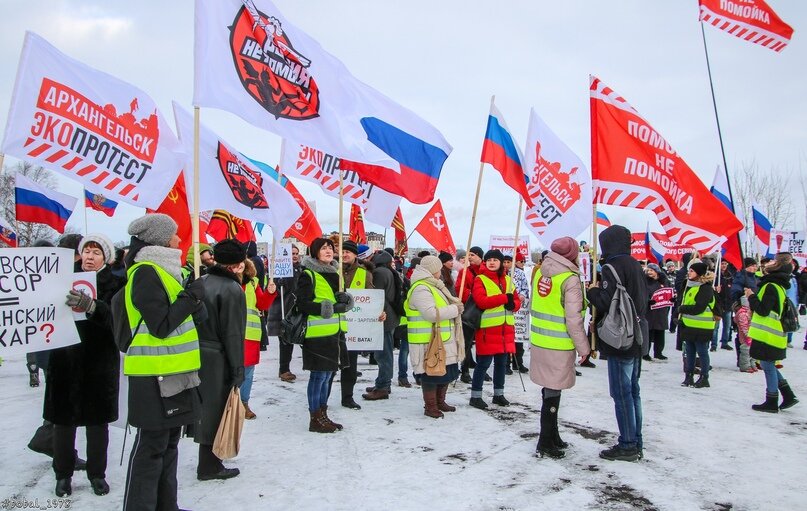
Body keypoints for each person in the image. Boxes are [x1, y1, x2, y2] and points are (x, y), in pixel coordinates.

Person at [121, 213, 203, 511]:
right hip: (152, 375)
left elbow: (184, 320)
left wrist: (195, 302)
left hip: (175, 372)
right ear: (160, 239)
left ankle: (167, 506)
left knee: (169, 445)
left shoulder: (169, 271)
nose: (179, 239)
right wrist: (189, 300)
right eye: (174, 234)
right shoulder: (145, 271)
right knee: (151, 449)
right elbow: (160, 325)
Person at [45, 234, 124, 498]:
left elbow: (117, 320)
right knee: (63, 423)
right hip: (65, 360)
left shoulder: (115, 282)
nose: (90, 257)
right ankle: (63, 475)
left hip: (99, 362)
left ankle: (97, 474)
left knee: (97, 423)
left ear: (106, 257)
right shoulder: (62, 280)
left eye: (96, 252)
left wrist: (92, 306)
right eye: (86, 251)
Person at [587, 225, 648, 462]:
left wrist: (592, 292)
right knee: (633, 392)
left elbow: (607, 302)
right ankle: (636, 439)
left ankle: (628, 444)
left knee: (621, 393)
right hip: (638, 335)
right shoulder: (635, 265)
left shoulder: (611, 267)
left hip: (621, 338)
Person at [530, 237, 591, 458]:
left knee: (549, 389)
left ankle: (553, 435)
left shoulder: (540, 271)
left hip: (540, 340)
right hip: (559, 343)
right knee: (553, 391)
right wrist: (584, 349)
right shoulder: (570, 278)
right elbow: (573, 319)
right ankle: (545, 441)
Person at [194, 239, 247, 480]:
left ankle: (208, 461)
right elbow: (233, 332)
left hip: (196, 351)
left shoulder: (200, 282)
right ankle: (209, 464)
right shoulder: (232, 289)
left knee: (205, 407)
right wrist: (238, 367)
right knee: (217, 409)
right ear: (237, 264)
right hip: (219, 355)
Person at [296, 238, 353, 433]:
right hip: (318, 333)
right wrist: (326, 308)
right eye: (323, 248)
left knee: (329, 375)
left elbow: (341, 301)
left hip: (335, 332)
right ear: (314, 252)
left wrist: (346, 300)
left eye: (330, 247)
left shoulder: (336, 274)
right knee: (319, 376)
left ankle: (323, 414)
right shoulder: (308, 274)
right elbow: (302, 304)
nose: (328, 250)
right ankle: (315, 418)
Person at [406, 256, 465, 418]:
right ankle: (430, 406)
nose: (441, 272)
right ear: (433, 270)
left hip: (442, 338)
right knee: (430, 374)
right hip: (427, 340)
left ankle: (440, 401)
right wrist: (455, 309)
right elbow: (430, 314)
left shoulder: (434, 286)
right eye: (438, 269)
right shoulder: (421, 288)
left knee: (445, 372)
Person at [746, 253, 799, 413]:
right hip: (773, 333)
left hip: (768, 333)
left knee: (767, 365)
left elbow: (762, 310)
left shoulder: (770, 286)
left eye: (773, 261)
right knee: (767, 364)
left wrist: (751, 297)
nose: (770, 262)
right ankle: (788, 395)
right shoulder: (778, 285)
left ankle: (772, 400)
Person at [469, 249, 520, 409]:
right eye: (489, 259)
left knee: (501, 364)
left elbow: (516, 300)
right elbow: (481, 301)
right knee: (483, 364)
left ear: (500, 263)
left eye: (495, 260)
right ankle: (475, 396)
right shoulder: (480, 279)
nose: (492, 262)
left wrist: (514, 305)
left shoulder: (508, 279)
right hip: (487, 330)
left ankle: (499, 394)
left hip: (506, 330)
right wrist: (505, 298)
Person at [336, 240, 376, 408]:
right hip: (333, 323)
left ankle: (347, 397)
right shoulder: (332, 270)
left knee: (350, 365)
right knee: (330, 366)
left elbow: (371, 297)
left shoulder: (364, 273)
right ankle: (322, 399)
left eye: (348, 252)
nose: (345, 254)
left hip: (353, 327)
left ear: (355, 254)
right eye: (342, 251)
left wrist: (377, 313)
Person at [364, 248, 403, 399]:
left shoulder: (380, 273)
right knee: (385, 352)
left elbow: (376, 296)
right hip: (391, 316)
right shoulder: (390, 272)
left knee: (383, 354)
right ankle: (382, 382)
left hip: (384, 317)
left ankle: (383, 386)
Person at [241, 258, 277, 420]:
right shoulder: (224, 280)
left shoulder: (254, 282)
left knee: (248, 371)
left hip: (250, 335)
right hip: (227, 333)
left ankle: (243, 403)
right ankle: (228, 404)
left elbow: (262, 305)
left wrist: (269, 293)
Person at [677, 262, 716, 388]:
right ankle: (689, 376)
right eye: (689, 270)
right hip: (689, 325)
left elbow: (699, 307)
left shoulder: (705, 288)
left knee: (702, 351)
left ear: (699, 273)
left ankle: (704, 377)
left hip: (702, 326)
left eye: (692, 271)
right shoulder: (690, 286)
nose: (689, 273)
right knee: (690, 351)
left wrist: (682, 309)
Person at [267, 243, 303, 382]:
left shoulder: (301, 270)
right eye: (291, 253)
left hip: (297, 311)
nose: (294, 256)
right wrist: (277, 284)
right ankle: (284, 369)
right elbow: (271, 292)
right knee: (285, 340)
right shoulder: (276, 272)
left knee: (296, 339)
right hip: (283, 311)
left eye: (296, 253)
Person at [456, 246, 484, 383]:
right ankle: (465, 370)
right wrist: (474, 297)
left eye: (472, 255)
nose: (469, 257)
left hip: (485, 311)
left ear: (479, 256)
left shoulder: (486, 271)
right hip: (470, 311)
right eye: (468, 255)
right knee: (466, 343)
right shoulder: (464, 272)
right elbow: (459, 288)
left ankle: (481, 369)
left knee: (482, 342)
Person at [505, 253, 530, 373]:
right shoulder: (500, 274)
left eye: (508, 262)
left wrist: (522, 295)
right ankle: (506, 364)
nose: (506, 265)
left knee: (518, 338)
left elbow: (525, 288)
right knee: (506, 337)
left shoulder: (520, 274)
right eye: (504, 262)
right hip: (504, 308)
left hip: (518, 309)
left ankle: (518, 362)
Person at [644, 263, 670, 360]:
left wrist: (671, 299)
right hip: (649, 310)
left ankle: (659, 352)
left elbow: (668, 291)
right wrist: (648, 301)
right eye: (648, 270)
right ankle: (645, 353)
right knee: (648, 332)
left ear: (657, 271)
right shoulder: (645, 281)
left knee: (660, 332)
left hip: (661, 311)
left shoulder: (663, 281)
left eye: (651, 270)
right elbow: (642, 293)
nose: (649, 272)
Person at [711, 259, 735, 352]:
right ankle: (714, 344)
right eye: (722, 264)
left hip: (728, 304)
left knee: (727, 325)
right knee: (715, 327)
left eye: (725, 264)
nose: (724, 265)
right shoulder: (715, 276)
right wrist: (714, 289)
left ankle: (725, 343)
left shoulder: (730, 275)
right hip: (718, 305)